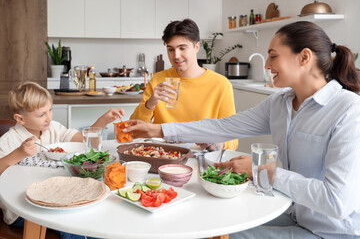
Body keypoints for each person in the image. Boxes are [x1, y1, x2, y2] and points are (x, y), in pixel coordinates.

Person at [124, 21, 360, 238]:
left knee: (221, 235)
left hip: (332, 231)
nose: (266, 65)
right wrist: (159, 131)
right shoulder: (280, 103)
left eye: (273, 56)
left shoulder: (349, 110)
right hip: (293, 212)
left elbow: (337, 201)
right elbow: (223, 126)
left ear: (304, 57)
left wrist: (263, 171)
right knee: (206, 223)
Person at [0, 81, 125, 239]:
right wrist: (19, 153)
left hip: (55, 196)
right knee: (71, 223)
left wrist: (104, 120)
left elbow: (83, 141)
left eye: (50, 110)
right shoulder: (9, 140)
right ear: (20, 119)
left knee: (92, 217)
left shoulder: (53, 128)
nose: (49, 117)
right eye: (41, 114)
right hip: (21, 209)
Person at [130, 18, 238, 151]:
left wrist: (218, 144)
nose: (176, 55)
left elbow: (232, 137)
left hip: (200, 154)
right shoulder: (158, 80)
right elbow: (133, 130)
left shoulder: (221, 84)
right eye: (171, 49)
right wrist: (150, 104)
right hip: (163, 155)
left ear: (196, 47)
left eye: (182, 48)